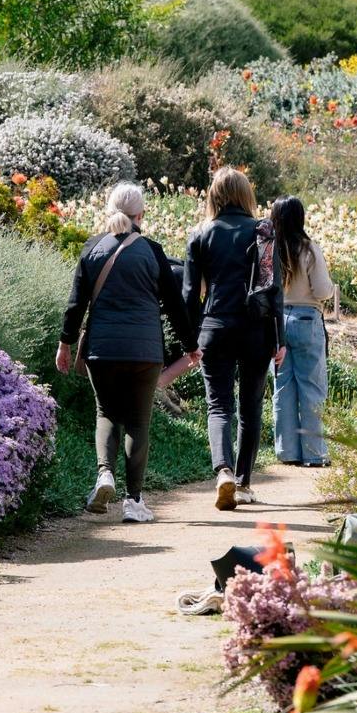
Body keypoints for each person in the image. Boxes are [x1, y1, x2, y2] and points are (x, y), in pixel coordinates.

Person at [58, 182, 199, 523]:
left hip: (101, 349)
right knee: (138, 420)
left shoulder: (92, 248)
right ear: (142, 215)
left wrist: (65, 343)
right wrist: (191, 346)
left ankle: (104, 474)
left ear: (108, 212)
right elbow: (176, 305)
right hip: (144, 350)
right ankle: (134, 502)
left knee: (106, 412)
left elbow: (76, 303)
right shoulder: (152, 250)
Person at [183, 167, 284, 511]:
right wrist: (279, 339)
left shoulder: (201, 234)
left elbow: (188, 295)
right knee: (251, 407)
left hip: (215, 325)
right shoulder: (263, 231)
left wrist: (189, 339)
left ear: (214, 195)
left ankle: (223, 470)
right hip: (255, 329)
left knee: (218, 405)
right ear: (246, 195)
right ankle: (242, 483)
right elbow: (274, 289)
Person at [269, 196, 336, 467]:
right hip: (307, 319)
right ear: (301, 217)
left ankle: (287, 451)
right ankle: (314, 453)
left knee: (282, 386)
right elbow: (322, 290)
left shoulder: (271, 248)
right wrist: (330, 290)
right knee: (311, 386)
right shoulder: (308, 249)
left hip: (277, 321)